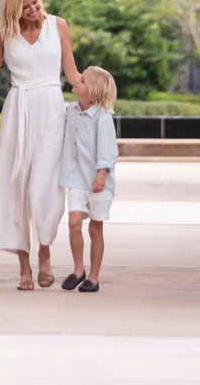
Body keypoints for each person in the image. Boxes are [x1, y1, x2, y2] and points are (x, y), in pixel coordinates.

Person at [0, 0, 82, 290]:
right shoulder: (4, 34)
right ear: (13, 9)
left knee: (44, 187)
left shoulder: (58, 26)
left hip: (53, 111)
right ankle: (24, 266)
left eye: (35, 1)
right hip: (19, 110)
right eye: (26, 6)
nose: (33, 9)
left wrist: (95, 94)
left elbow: (71, 74)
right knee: (18, 188)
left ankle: (45, 249)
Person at [59, 65, 118, 293]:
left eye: (82, 80)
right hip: (76, 179)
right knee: (74, 223)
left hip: (97, 182)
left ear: (92, 91)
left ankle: (94, 275)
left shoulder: (102, 118)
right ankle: (78, 269)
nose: (76, 80)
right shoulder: (71, 111)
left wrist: (101, 174)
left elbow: (108, 150)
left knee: (95, 228)